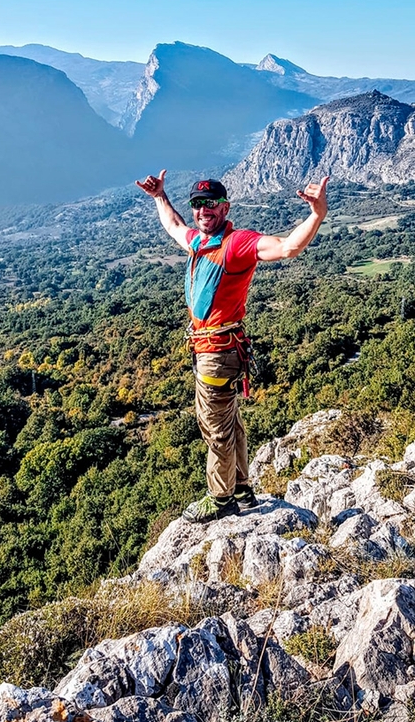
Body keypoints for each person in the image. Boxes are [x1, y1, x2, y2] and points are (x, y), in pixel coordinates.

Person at [136, 170, 329, 524]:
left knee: (215, 426)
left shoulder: (236, 243)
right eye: (197, 204)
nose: (202, 210)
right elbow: (175, 227)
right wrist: (160, 197)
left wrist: (317, 214)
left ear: (225, 208)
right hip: (213, 348)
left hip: (217, 352)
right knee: (230, 421)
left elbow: (287, 247)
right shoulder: (199, 241)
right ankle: (241, 488)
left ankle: (221, 498)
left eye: (210, 204)